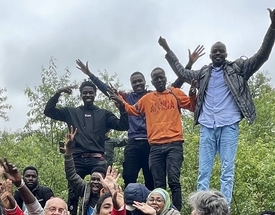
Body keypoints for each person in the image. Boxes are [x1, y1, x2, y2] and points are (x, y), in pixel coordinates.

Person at [161, 8, 275, 202]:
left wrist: (273, 27)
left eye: (221, 51)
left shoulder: (238, 69)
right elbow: (182, 72)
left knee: (227, 169)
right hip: (208, 125)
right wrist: (168, 51)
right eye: (215, 52)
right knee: (203, 172)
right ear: (210, 56)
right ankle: (201, 207)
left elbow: (262, 56)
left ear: (226, 54)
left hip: (229, 124)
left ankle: (224, 208)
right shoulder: (203, 73)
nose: (218, 54)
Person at [76, 49, 202, 188]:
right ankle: (128, 207)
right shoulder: (127, 97)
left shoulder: (153, 96)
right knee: (129, 176)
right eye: (134, 82)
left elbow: (174, 86)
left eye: (140, 81)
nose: (137, 84)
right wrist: (90, 74)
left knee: (152, 179)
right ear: (131, 84)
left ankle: (151, 207)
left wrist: (189, 65)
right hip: (133, 142)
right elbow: (108, 91)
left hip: (151, 143)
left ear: (146, 82)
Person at [107, 68, 193, 210]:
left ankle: (176, 212)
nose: (159, 80)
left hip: (174, 143)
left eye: (161, 77)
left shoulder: (174, 93)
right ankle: (160, 212)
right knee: (158, 183)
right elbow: (131, 110)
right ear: (152, 81)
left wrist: (193, 94)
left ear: (165, 78)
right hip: (155, 146)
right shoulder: (147, 99)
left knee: (173, 180)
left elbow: (192, 105)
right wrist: (121, 102)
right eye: (156, 78)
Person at [44, 81, 126, 213]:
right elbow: (49, 111)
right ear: (81, 95)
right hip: (78, 158)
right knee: (73, 193)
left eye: (91, 92)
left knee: (102, 191)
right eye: (85, 92)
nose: (88, 95)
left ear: (95, 94)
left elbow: (123, 125)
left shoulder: (103, 114)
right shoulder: (71, 112)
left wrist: (121, 105)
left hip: (97, 159)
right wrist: (58, 93)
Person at [63, 128, 106, 215]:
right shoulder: (86, 189)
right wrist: (69, 151)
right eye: (93, 179)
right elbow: (71, 175)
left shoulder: (109, 195)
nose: (95, 182)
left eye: (99, 180)